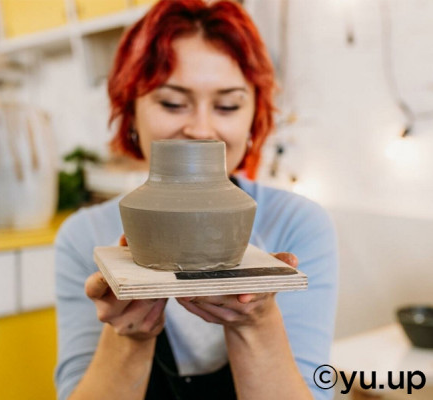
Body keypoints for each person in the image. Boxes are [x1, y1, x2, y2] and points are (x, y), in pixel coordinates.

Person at [54, 1, 338, 399]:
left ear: (254, 118)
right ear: (131, 113)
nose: (202, 129)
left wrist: (256, 323)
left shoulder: (298, 224)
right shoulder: (83, 235)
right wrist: (129, 338)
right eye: (172, 102)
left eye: (227, 106)